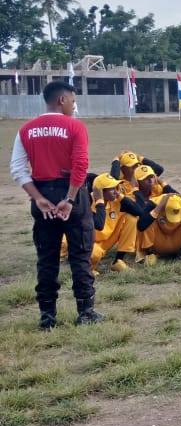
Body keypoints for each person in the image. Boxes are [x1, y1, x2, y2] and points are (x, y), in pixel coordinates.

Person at [9, 81, 102, 330]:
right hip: (71, 194)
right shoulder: (75, 127)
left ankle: (47, 315)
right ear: (61, 100)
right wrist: (70, 199)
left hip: (42, 194)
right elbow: (81, 165)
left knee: (47, 257)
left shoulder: (26, 129)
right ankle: (85, 311)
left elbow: (17, 169)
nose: (74, 105)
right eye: (73, 100)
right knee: (80, 254)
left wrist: (37, 197)